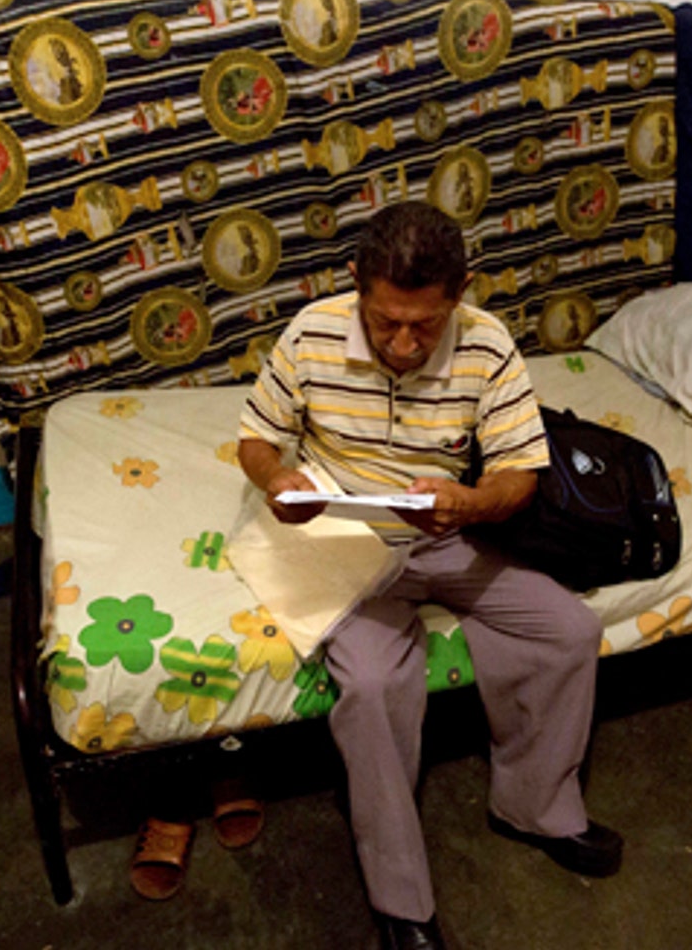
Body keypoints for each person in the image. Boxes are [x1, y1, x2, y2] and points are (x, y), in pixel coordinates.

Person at [237, 200, 621, 950]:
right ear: (357, 283)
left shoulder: (487, 342)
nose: (405, 344)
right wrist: (278, 479)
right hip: (342, 541)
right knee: (375, 683)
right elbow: (257, 437)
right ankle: (401, 898)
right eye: (386, 322)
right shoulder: (313, 331)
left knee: (569, 630)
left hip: (444, 532)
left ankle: (535, 808)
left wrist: (470, 503)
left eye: (426, 325)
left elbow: (519, 474)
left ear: (460, 293)